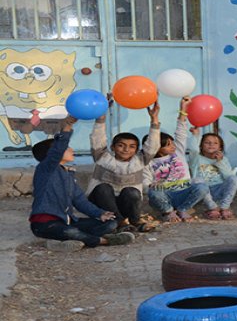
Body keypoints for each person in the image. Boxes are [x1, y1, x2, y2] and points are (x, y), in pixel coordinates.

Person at [29, 116, 135, 252]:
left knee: (110, 223)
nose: (71, 149)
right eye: (67, 148)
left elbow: (80, 201)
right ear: (54, 153)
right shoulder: (46, 169)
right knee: (71, 232)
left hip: (68, 221)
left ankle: (61, 242)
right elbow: (57, 149)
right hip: (45, 224)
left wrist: (100, 213)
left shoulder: (68, 175)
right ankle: (104, 241)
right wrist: (67, 126)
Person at [86, 97, 160, 232]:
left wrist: (154, 120)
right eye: (121, 145)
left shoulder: (140, 161)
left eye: (131, 147)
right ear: (112, 147)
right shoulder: (103, 158)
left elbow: (153, 145)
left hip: (125, 205)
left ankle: (135, 220)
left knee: (132, 192)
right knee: (103, 188)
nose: (126, 149)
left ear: (137, 150)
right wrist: (101, 118)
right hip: (101, 203)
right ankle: (120, 223)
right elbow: (97, 139)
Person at [144, 97, 209, 223]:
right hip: (164, 196)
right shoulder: (148, 162)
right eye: (168, 145)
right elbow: (146, 184)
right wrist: (150, 185)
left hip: (183, 192)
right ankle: (168, 212)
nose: (173, 146)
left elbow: (181, 132)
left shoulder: (178, 152)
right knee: (154, 193)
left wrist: (183, 111)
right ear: (157, 147)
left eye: (172, 143)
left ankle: (183, 209)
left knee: (202, 187)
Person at [189, 128, 237, 220]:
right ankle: (212, 208)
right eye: (207, 142)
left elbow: (228, 176)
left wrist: (219, 162)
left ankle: (224, 207)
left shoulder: (223, 159)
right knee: (197, 180)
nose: (211, 145)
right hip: (204, 191)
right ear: (201, 146)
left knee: (233, 178)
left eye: (215, 143)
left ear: (220, 147)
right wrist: (195, 136)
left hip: (219, 189)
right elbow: (193, 149)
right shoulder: (196, 158)